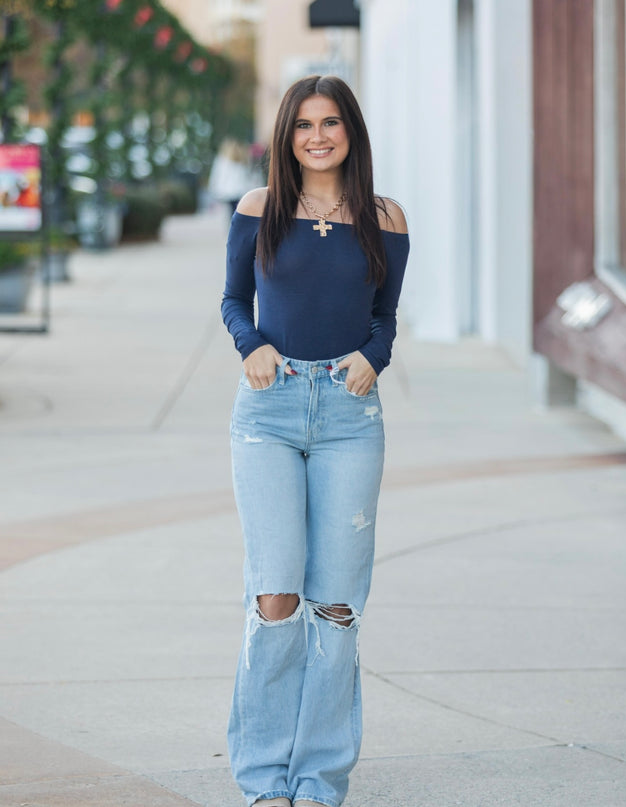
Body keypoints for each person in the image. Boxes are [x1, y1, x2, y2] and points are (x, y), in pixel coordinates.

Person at [221, 75, 409, 807]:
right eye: (304, 124)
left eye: (331, 122)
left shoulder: (384, 216)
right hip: (267, 412)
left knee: (334, 603)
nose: (318, 136)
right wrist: (249, 345)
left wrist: (373, 356)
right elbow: (235, 296)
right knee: (276, 594)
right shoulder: (258, 207)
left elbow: (384, 314)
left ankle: (320, 778)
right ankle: (265, 778)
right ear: (286, 134)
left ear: (350, 133)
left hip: (347, 417)